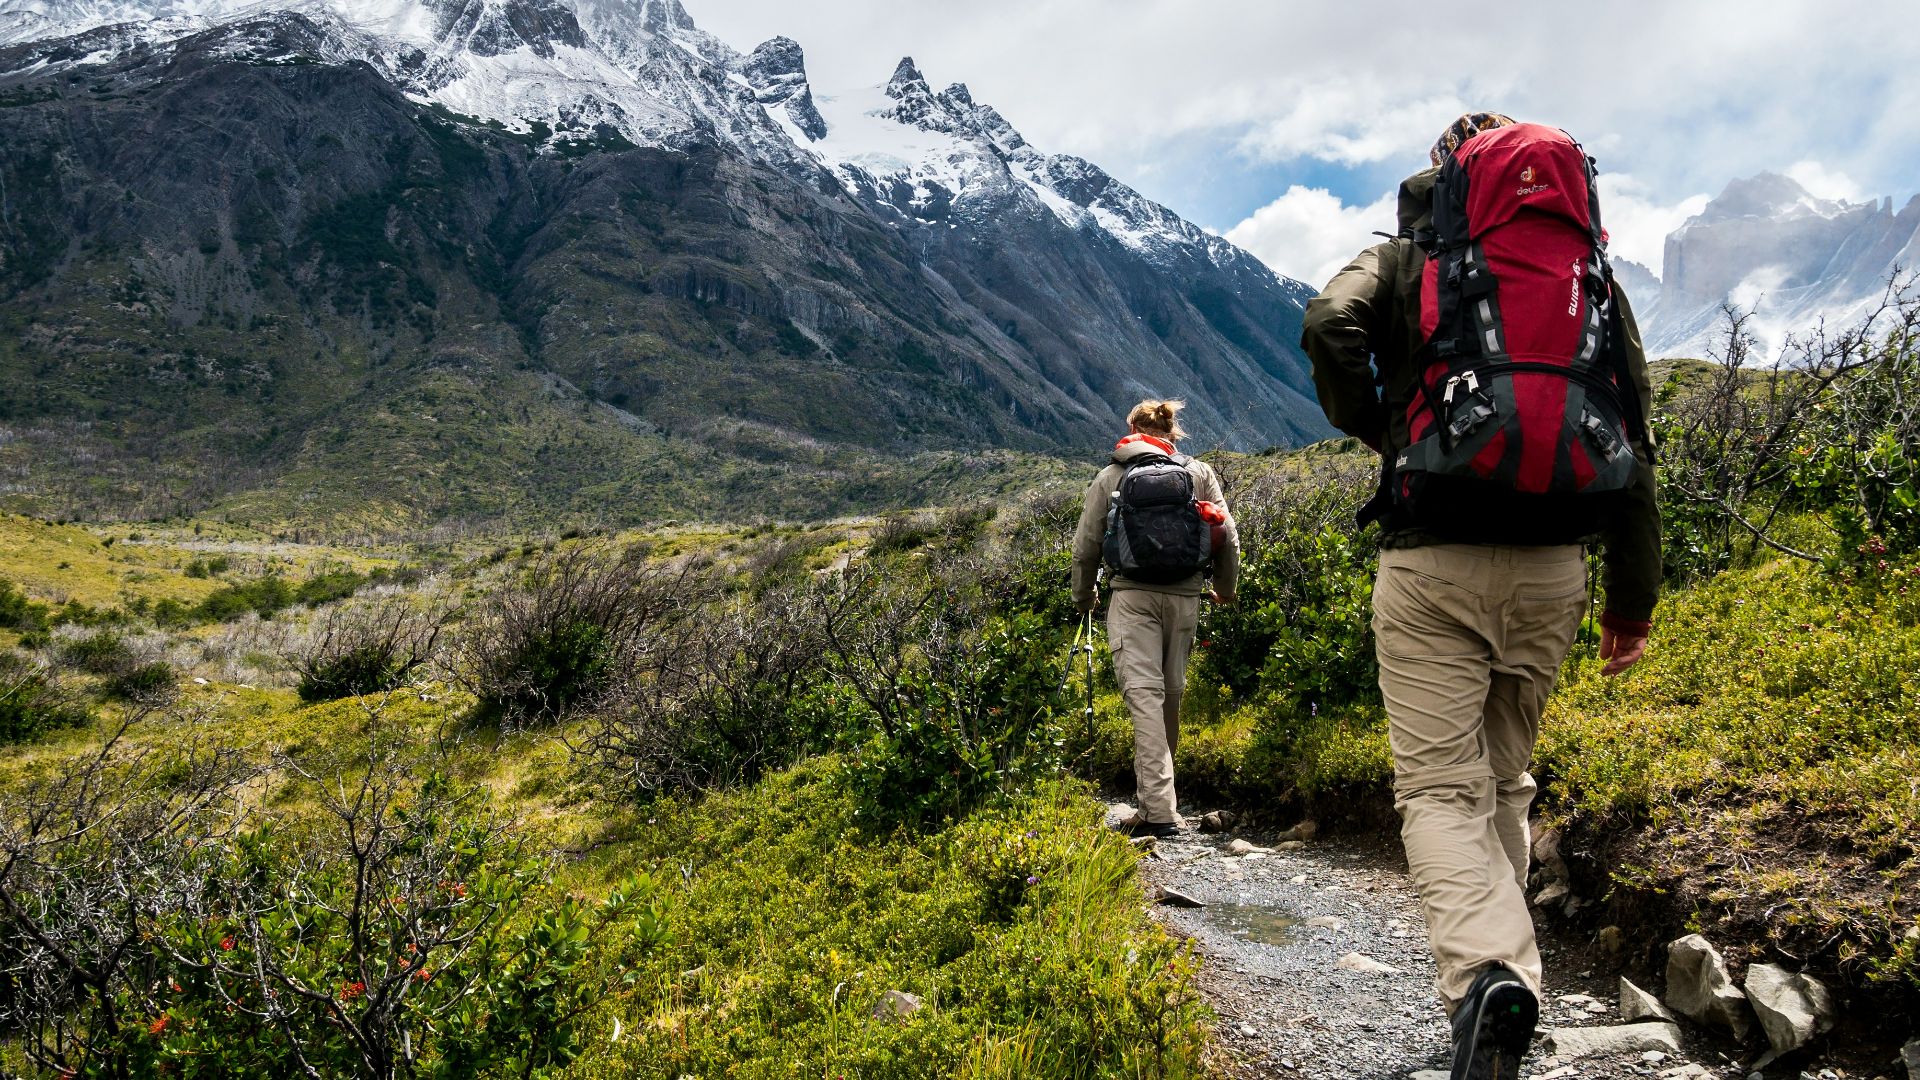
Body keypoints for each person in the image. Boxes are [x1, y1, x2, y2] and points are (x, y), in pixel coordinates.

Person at [1300, 113, 1661, 1078]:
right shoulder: (1589, 275)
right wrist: (1634, 599)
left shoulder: (1410, 256)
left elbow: (1326, 324)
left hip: (1435, 558)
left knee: (1435, 788)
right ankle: (1521, 991)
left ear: (1448, 174)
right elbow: (1632, 432)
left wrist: (1390, 429)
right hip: (1556, 567)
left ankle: (1486, 978)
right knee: (1505, 777)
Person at [1071, 399, 1240, 839]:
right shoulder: (1198, 473)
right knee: (1169, 695)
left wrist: (1085, 596)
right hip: (1185, 598)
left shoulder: (1111, 476)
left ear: (1131, 430)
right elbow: (1228, 536)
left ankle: (1159, 812)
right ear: (1172, 432)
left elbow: (1086, 546)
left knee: (1143, 697)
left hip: (1132, 598)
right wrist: (1225, 588)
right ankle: (1162, 800)